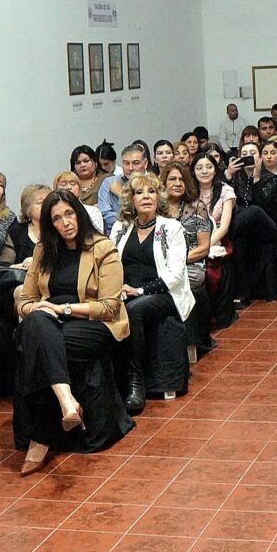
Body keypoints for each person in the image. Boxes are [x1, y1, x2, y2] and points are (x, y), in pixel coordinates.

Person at [14, 190, 133, 475]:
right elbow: (25, 301)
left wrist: (62, 309)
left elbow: (108, 306)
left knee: (39, 346)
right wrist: (39, 310)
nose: (65, 222)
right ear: (49, 224)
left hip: (93, 325)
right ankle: (67, 400)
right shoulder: (43, 251)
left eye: (69, 214)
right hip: (48, 324)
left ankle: (40, 437)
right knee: (38, 327)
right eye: (56, 218)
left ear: (79, 213)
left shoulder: (103, 249)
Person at [110, 173, 194, 415]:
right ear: (131, 200)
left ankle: (136, 381)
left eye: (151, 192)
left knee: (135, 308)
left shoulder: (171, 227)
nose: (146, 197)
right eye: (139, 193)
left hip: (164, 293)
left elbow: (176, 275)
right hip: (126, 290)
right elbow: (109, 263)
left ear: (159, 197)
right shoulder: (120, 228)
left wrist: (140, 290)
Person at [224, 142, 277, 302]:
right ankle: (242, 293)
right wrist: (228, 175)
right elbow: (223, 199)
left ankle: (227, 231)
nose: (249, 156)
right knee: (240, 239)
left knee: (254, 210)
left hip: (266, 227)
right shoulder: (236, 179)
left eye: (253, 152)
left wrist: (256, 177)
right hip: (243, 230)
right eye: (244, 153)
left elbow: (263, 205)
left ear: (259, 157)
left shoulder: (270, 178)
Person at [162, 162, 212, 288]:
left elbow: (204, 248)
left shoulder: (197, 207)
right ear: (163, 183)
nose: (178, 183)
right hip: (161, 264)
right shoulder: (157, 209)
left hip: (190, 266)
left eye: (182, 180)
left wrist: (175, 262)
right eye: (172, 179)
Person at [97, 143, 150, 234]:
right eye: (126, 163)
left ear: (145, 163)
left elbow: (148, 216)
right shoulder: (109, 182)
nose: (130, 168)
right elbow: (105, 214)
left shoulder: (153, 184)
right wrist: (132, 221)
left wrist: (121, 194)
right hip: (115, 234)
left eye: (136, 163)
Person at [0, 184, 50, 268]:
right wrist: (22, 266)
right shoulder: (17, 231)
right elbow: (3, 266)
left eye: (48, 201)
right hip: (22, 279)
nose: (46, 205)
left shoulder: (58, 229)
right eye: (40, 202)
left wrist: (37, 262)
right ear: (28, 210)